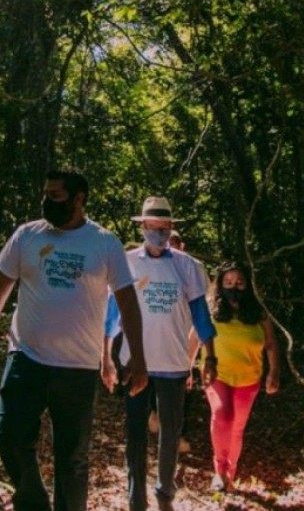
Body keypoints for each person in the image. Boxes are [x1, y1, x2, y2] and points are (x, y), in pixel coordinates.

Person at [0, 169, 149, 511]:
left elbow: (127, 302)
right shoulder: (27, 236)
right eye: (45, 194)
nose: (47, 201)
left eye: (56, 196)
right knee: (10, 436)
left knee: (73, 459)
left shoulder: (104, 243)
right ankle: (35, 503)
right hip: (25, 358)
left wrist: (138, 357)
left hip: (76, 368)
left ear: (79, 199)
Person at [102, 197, 217, 511]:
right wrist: (106, 356)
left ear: (171, 228)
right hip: (134, 362)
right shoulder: (125, 262)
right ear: (143, 227)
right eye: (153, 226)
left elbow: (201, 316)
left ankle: (165, 493)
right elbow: (112, 313)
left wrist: (210, 358)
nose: (159, 232)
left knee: (170, 432)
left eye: (164, 227)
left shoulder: (188, 266)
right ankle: (135, 499)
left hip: (174, 363)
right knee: (136, 433)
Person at [204, 264, 281, 492]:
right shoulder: (211, 310)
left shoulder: (258, 312)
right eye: (228, 282)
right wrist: (186, 368)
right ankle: (218, 471)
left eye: (239, 282)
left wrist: (274, 372)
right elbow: (195, 337)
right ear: (220, 284)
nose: (233, 287)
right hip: (218, 374)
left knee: (237, 427)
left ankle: (230, 471)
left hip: (249, 378)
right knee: (221, 415)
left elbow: (270, 344)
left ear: (248, 285)